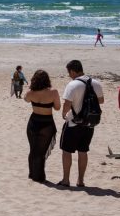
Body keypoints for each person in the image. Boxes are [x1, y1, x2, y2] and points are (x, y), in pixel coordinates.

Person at [58, 60, 104, 188]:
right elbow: (101, 101)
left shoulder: (72, 84)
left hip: (73, 123)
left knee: (67, 151)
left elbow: (67, 104)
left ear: (73, 71)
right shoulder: (95, 83)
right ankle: (80, 180)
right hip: (89, 123)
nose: (69, 75)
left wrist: (64, 114)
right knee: (83, 152)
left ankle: (66, 180)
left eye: (69, 72)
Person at [23, 70, 61, 183]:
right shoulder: (53, 92)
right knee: (41, 152)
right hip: (46, 123)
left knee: (33, 149)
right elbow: (57, 108)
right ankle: (39, 176)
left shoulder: (31, 92)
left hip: (33, 122)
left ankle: (32, 174)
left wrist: (31, 89)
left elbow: (26, 99)